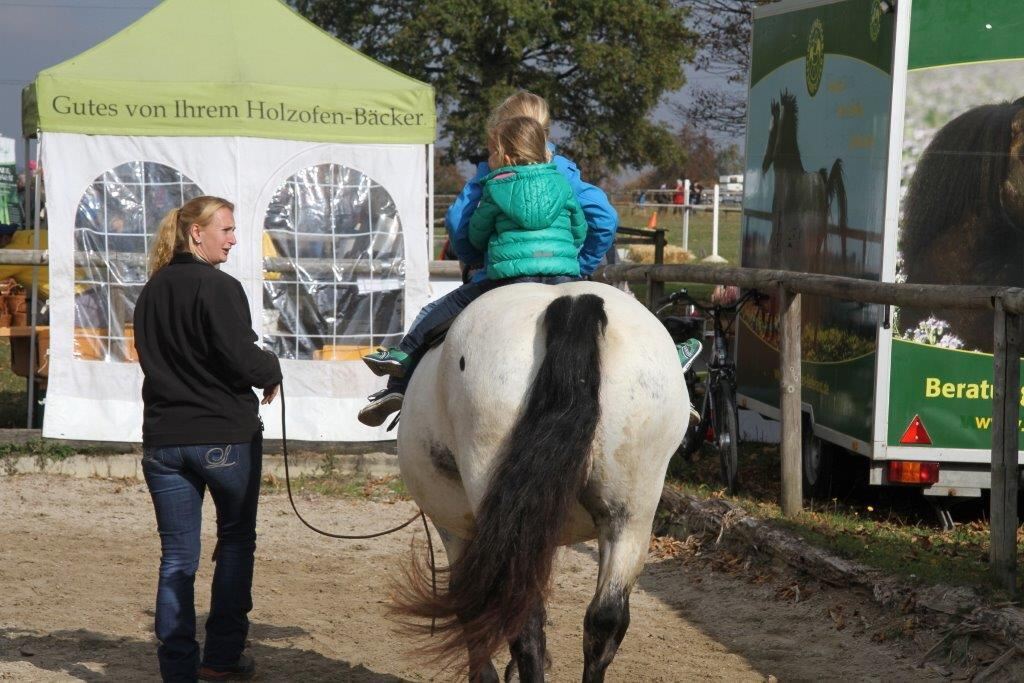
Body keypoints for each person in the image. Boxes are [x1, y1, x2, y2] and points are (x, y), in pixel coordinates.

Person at [133, 195, 282, 682]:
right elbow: (241, 357)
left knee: (177, 557)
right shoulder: (219, 287)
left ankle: (178, 670)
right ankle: (221, 658)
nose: (234, 239)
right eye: (227, 230)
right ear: (196, 233)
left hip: (163, 440)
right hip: (222, 437)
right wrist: (272, 369)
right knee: (235, 543)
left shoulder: (152, 290)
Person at [357, 116, 586, 426]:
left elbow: (476, 234)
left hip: (512, 278)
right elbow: (579, 229)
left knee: (448, 305)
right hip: (563, 276)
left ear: (506, 156)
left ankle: (405, 353)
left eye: (492, 152)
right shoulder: (561, 182)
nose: (489, 159)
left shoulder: (497, 185)